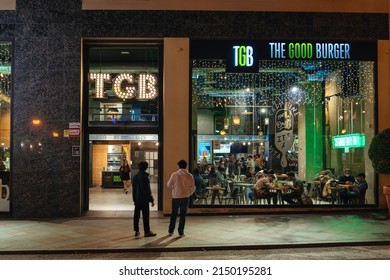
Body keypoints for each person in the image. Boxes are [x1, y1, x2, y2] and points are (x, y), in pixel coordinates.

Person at [167, 159, 195, 237]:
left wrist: (173, 188)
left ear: (179, 166)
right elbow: (192, 188)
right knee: (183, 215)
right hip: (185, 197)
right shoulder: (190, 175)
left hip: (176, 197)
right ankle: (181, 232)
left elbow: (169, 185)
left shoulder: (174, 174)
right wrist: (188, 194)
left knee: (174, 214)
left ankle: (171, 231)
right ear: (186, 166)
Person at [131, 161, 156, 237]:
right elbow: (147, 190)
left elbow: (134, 190)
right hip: (144, 200)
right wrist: (151, 200)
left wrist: (134, 200)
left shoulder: (135, 177)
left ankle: (136, 231)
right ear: (146, 168)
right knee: (145, 216)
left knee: (136, 216)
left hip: (137, 200)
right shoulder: (145, 177)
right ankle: (147, 231)